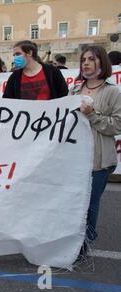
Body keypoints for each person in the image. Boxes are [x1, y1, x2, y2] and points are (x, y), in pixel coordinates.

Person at [70, 46, 121, 258]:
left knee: (90, 202)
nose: (86, 63)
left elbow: (117, 125)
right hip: (74, 158)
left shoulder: (112, 92)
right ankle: (71, 240)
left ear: (102, 63)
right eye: (83, 59)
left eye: (91, 59)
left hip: (98, 160)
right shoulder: (74, 91)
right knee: (73, 202)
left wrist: (92, 115)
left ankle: (86, 242)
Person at [3, 40, 68, 100]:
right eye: (14, 55)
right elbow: (7, 99)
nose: (15, 58)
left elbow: (64, 94)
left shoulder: (53, 72)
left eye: (18, 54)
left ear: (30, 53)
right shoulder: (15, 76)